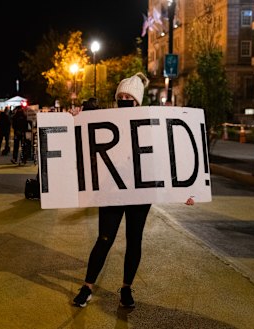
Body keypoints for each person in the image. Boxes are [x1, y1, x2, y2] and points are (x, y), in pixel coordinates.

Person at [70, 72, 195, 309]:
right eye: (121, 95)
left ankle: (126, 288)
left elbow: (166, 160)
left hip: (140, 193)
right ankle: (87, 287)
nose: (125, 99)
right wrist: (75, 119)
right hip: (111, 191)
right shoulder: (104, 120)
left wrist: (184, 191)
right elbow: (82, 141)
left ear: (139, 101)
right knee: (104, 239)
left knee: (133, 240)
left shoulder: (150, 123)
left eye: (130, 96)